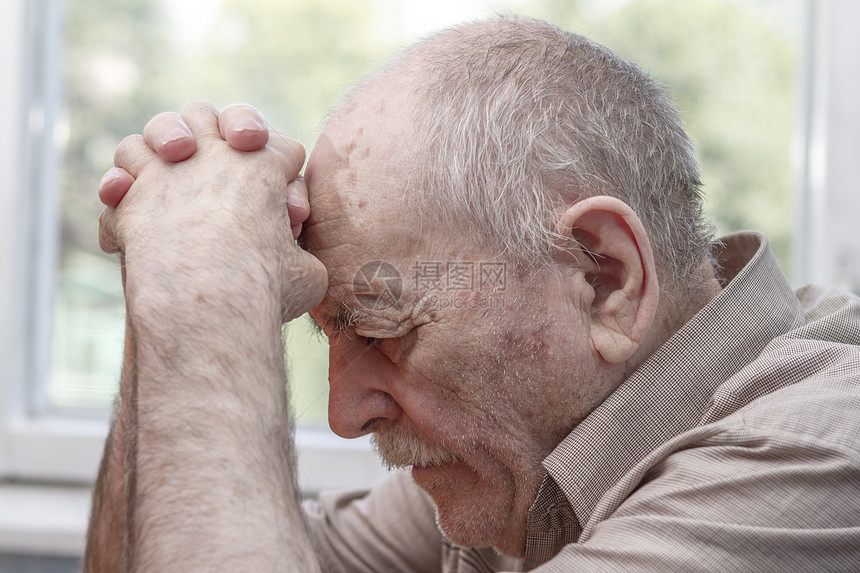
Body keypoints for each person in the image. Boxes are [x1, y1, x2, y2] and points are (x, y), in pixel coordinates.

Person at [85, 17, 860, 573]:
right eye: (330, 334)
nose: (345, 415)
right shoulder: (520, 451)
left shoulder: (817, 453)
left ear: (603, 278)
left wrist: (204, 288)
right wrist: (166, 269)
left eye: (384, 328)